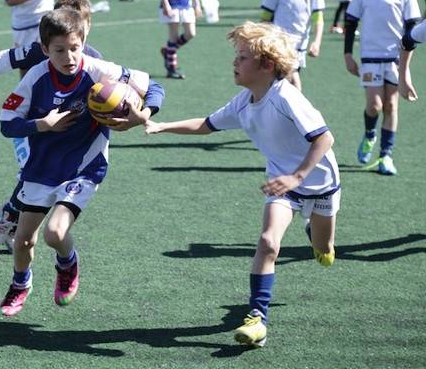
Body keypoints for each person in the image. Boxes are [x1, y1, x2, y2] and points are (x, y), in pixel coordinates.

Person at [145, 21, 340, 349]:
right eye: (236, 55)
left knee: (323, 251)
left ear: (267, 65)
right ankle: (257, 317)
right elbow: (206, 125)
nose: (235, 62)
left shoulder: (286, 97)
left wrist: (298, 175)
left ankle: (317, 238)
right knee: (267, 242)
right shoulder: (244, 101)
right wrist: (162, 126)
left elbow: (324, 138)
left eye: (243, 57)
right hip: (284, 186)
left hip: (318, 184)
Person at [0, 8, 165, 316]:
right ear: (45, 49)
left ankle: (67, 264)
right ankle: (20, 284)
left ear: (83, 42)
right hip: (42, 168)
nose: (69, 56)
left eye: (75, 48)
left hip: (84, 167)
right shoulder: (36, 77)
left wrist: (145, 113)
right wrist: (42, 125)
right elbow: (7, 123)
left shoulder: (100, 70)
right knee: (22, 242)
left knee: (55, 233)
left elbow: (154, 87)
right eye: (59, 50)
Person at [0, 0, 103, 251]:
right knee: (33, 174)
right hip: (30, 129)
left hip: (70, 139)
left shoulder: (95, 61)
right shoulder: (37, 49)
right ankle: (11, 213)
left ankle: (21, 221)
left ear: (86, 27)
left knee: (51, 180)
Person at [344, 0, 420, 175]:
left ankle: (386, 155)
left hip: (395, 59)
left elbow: (412, 32)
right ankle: (369, 135)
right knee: (374, 105)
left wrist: (406, 68)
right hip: (369, 57)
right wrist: (347, 54)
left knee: (391, 105)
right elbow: (351, 21)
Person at [261, 0, 324, 92]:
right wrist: (264, 39)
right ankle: (295, 111)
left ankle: (288, 111)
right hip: (278, 42)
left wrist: (317, 42)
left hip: (300, 43)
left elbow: (318, 18)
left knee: (285, 82)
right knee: (290, 79)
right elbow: (265, 18)